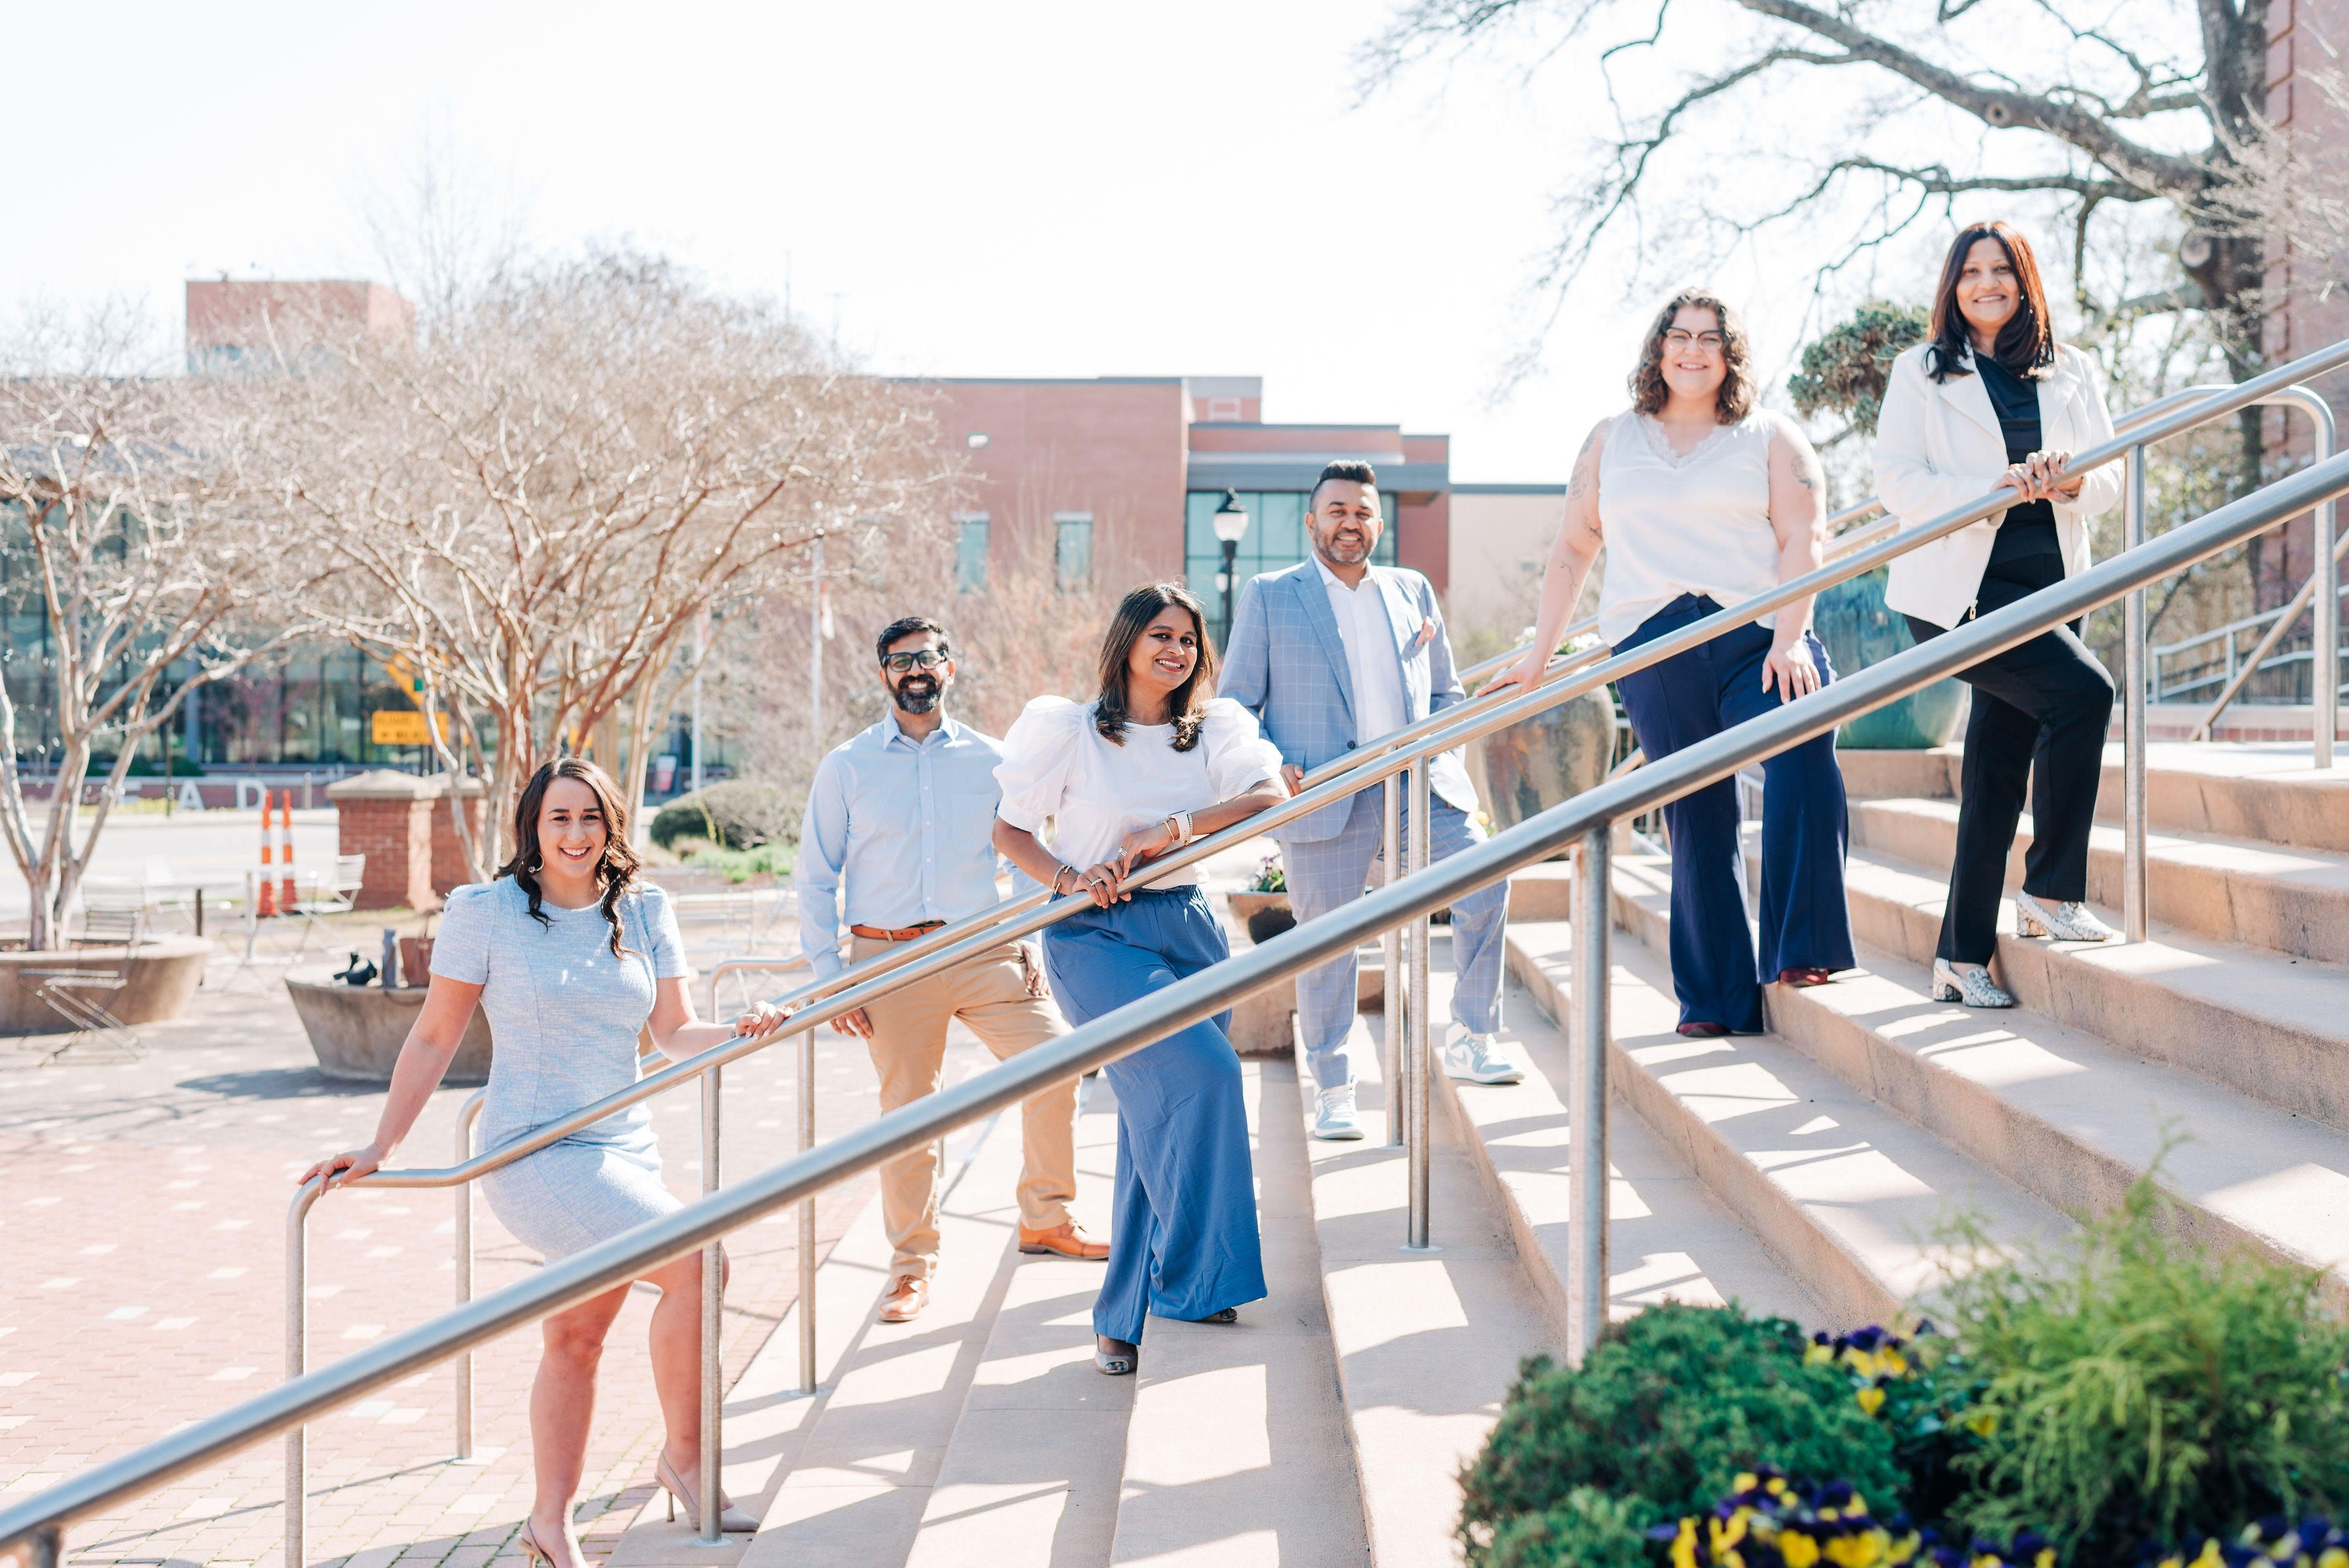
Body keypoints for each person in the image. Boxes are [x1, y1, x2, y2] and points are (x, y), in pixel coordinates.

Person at [300, 758, 784, 1567]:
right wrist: (383, 1145)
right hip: (533, 1151)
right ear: (532, 826)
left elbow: (674, 1033)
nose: (576, 833)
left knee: (577, 1336)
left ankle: (548, 1524)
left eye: (591, 817)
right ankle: (688, 1459)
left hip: (622, 1147)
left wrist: (742, 1028)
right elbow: (435, 1035)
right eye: (559, 817)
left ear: (611, 825)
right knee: (701, 1261)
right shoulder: (485, 911)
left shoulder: (645, 908)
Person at [1490, 290, 1854, 1037]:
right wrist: (1538, 657)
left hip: (1759, 634)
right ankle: (1716, 1001)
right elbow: (1573, 548)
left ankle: (1801, 949)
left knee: (1803, 752)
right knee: (1696, 811)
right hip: (1655, 646)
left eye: (1710, 339)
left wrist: (1791, 636)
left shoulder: (1769, 435)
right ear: (1658, 349)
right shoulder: (1611, 439)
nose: (1693, 350)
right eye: (1679, 336)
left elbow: (1804, 538)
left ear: (1731, 355)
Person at [991, 582, 1288, 1378]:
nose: (1176, 650)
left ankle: (1123, 1314)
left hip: (1187, 927)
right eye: (1161, 634)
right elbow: (1009, 829)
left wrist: (1174, 830)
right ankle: (1193, 1279)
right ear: (1126, 641)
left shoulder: (1211, 729)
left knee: (1152, 1116)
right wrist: (1067, 878)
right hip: (1096, 935)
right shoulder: (1071, 731)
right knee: (1207, 1073)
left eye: (1189, 640)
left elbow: (1269, 795)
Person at [793, 615, 1105, 1327]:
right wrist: (830, 977)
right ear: (883, 674)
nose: (915, 671)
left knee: (1058, 1060)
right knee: (909, 1114)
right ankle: (911, 1267)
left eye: (927, 657)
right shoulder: (846, 765)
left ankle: (1046, 1217)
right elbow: (814, 876)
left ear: (949, 667)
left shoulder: (994, 760)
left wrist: (1031, 939)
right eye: (900, 660)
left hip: (982, 948)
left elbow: (1023, 853)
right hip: (889, 960)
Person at [1221, 459, 1520, 1143]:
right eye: (1337, 511)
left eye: (1362, 512)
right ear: (1312, 522)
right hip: (1326, 793)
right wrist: (1271, 765)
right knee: (1328, 943)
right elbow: (1236, 705)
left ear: (1378, 523)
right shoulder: (1271, 595)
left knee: (1487, 878)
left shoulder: (1412, 588)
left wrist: (1440, 758)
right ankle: (1333, 1087)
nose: (1349, 523)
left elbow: (1445, 692)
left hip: (1417, 785)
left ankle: (1473, 1033)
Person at [1875, 220, 2124, 1007]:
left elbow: (2111, 477)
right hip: (1962, 593)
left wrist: (2070, 481)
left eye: (2001, 270)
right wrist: (1985, 492)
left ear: (2025, 281)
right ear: (1953, 287)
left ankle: (1961, 956)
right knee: (2086, 696)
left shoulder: (2071, 368)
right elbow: (1895, 480)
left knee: (1995, 771)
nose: (1987, 284)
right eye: (1971, 272)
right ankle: (2050, 890)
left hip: (2053, 589)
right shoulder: (1921, 371)